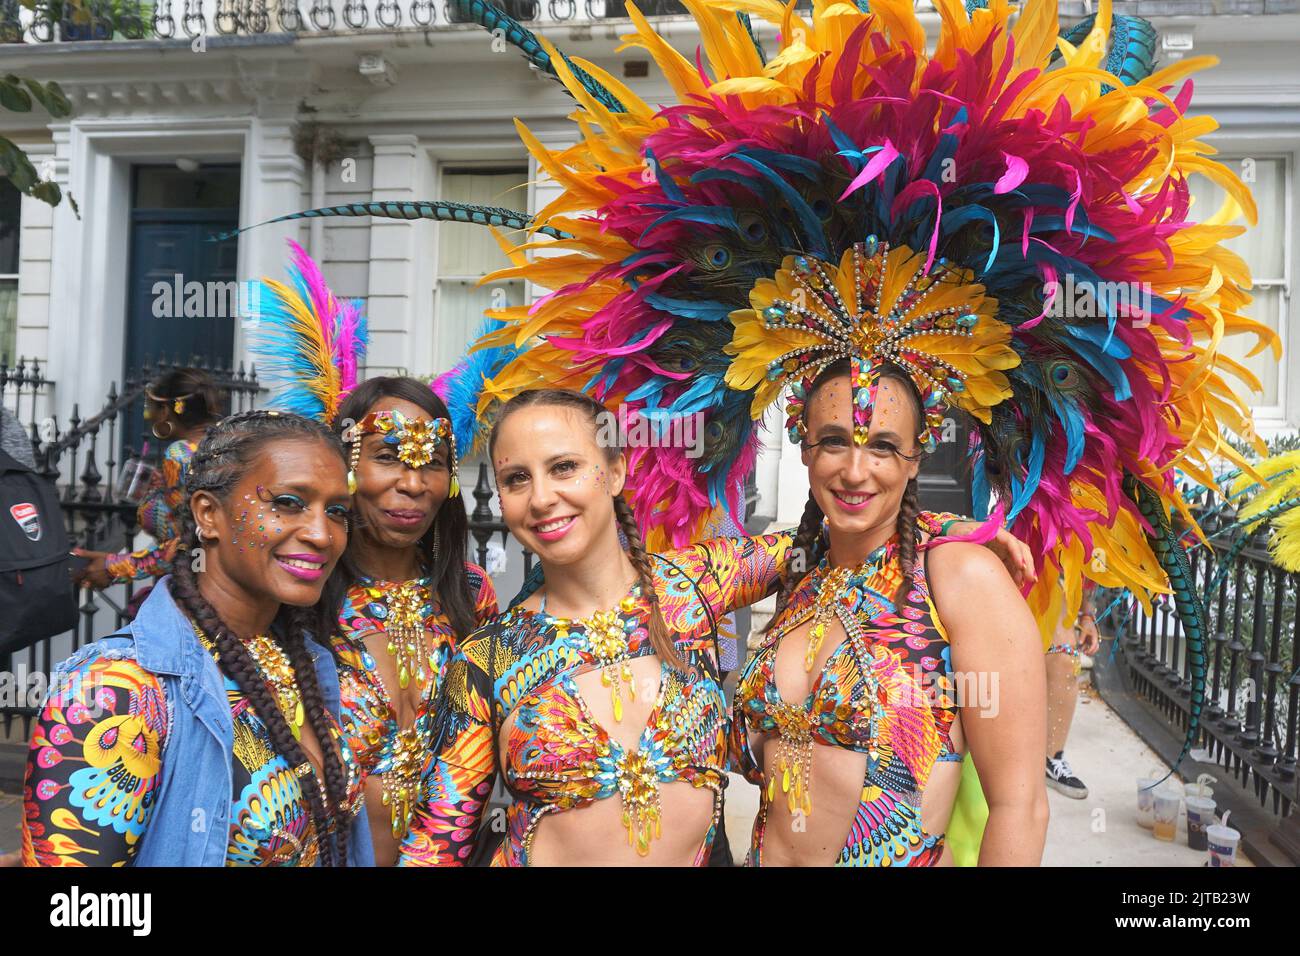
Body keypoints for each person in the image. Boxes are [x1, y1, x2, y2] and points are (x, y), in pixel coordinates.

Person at [398, 388, 1028, 866]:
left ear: (614, 473)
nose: (541, 498)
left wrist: (955, 535)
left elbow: (844, 533)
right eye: (515, 479)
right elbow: (438, 841)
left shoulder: (690, 588)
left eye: (564, 467)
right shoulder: (487, 659)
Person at [20, 410, 373, 866]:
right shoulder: (116, 691)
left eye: (338, 511)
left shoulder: (312, 665)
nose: (322, 534)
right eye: (288, 502)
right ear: (208, 514)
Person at [242, 241, 500, 863]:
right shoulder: (297, 593)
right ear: (346, 466)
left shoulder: (471, 594)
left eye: (431, 464)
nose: (412, 485)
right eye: (387, 458)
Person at [731, 359, 1048, 865]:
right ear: (804, 445)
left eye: (882, 445)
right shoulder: (799, 575)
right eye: (834, 440)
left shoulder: (961, 578)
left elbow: (1020, 805)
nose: (855, 471)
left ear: (915, 455)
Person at [74, 367, 221, 591]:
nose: (148, 415)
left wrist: (115, 566)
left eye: (150, 407)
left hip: (199, 589)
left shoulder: (179, 455)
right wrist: (164, 490)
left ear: (165, 411)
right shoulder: (225, 444)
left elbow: (187, 545)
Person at [1044, 578, 1101, 799]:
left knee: (1066, 660)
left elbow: (1087, 553)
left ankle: (1051, 759)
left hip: (1045, 578)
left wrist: (1087, 615)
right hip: (988, 563)